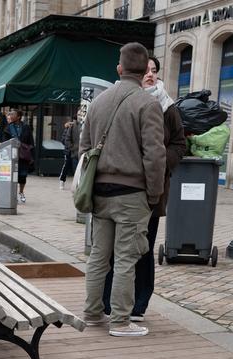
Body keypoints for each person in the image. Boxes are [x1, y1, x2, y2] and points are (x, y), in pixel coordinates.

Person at [78, 42, 165, 338]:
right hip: (131, 195)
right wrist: (154, 195)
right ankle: (120, 321)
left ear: (119, 69)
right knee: (126, 259)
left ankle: (91, 313)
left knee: (99, 256)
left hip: (100, 192)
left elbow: (85, 148)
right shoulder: (148, 104)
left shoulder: (99, 102)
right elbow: (155, 156)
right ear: (144, 72)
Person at [102, 54, 187, 324]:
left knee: (143, 248)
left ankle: (138, 304)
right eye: (146, 70)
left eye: (154, 71)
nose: (150, 75)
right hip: (124, 188)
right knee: (114, 250)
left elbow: (179, 145)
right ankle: (110, 302)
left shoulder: (167, 106)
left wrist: (160, 163)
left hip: (152, 188)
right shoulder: (126, 100)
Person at [5, 109, 35, 204]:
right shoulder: (8, 128)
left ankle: (21, 192)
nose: (10, 115)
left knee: (22, 176)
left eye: (12, 114)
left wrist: (30, 152)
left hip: (23, 156)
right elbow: (4, 142)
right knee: (13, 176)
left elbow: (31, 142)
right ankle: (13, 194)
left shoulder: (26, 127)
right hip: (12, 156)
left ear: (18, 116)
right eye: (10, 114)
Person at [59, 118, 78, 190]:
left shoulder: (80, 128)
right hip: (69, 151)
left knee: (76, 168)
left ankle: (76, 184)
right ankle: (62, 181)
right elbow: (63, 140)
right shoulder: (68, 128)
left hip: (76, 151)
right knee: (66, 166)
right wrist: (70, 146)